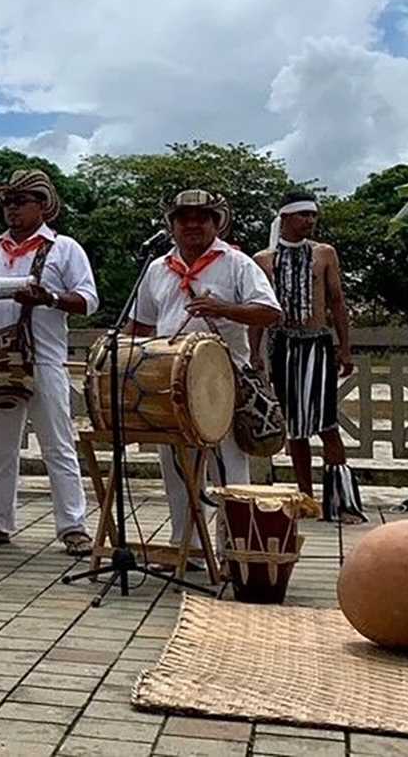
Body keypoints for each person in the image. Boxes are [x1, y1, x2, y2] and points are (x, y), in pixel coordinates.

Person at [0, 170, 99, 556]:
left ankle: (73, 525)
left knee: (57, 445)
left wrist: (49, 298)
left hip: (43, 359)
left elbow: (87, 300)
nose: (11, 208)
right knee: (0, 445)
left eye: (20, 200)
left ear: (42, 205)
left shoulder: (64, 249)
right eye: (7, 202)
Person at [130, 189, 281, 560]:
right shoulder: (156, 268)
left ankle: (236, 550)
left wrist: (224, 309)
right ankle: (189, 549)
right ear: (172, 225)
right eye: (184, 217)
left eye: (202, 217)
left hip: (222, 378)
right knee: (176, 467)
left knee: (227, 464)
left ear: (217, 223)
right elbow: (141, 325)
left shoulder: (237, 263)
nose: (192, 224)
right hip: (169, 379)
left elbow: (269, 312)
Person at [252, 192, 363, 521]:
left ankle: (342, 502)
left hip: (317, 343)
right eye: (302, 215)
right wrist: (257, 354)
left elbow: (337, 301)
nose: (310, 221)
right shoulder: (264, 260)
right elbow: (260, 309)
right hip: (283, 345)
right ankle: (306, 498)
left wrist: (345, 347)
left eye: (313, 215)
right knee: (295, 427)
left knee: (327, 423)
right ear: (284, 218)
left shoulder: (324, 254)